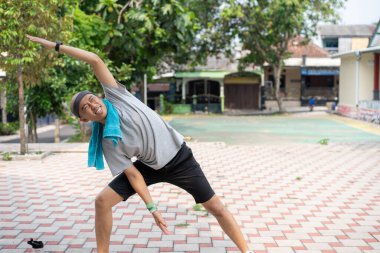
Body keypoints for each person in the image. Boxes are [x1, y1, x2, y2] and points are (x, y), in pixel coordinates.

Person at [26, 35, 253, 253]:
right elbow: (134, 175)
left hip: (181, 159)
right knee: (102, 201)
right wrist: (152, 208)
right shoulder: (108, 142)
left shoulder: (117, 96)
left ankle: (246, 250)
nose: (92, 105)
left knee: (216, 207)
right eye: (85, 107)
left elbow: (94, 60)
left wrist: (54, 46)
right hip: (149, 167)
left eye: (91, 99)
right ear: (84, 119)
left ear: (99, 97)